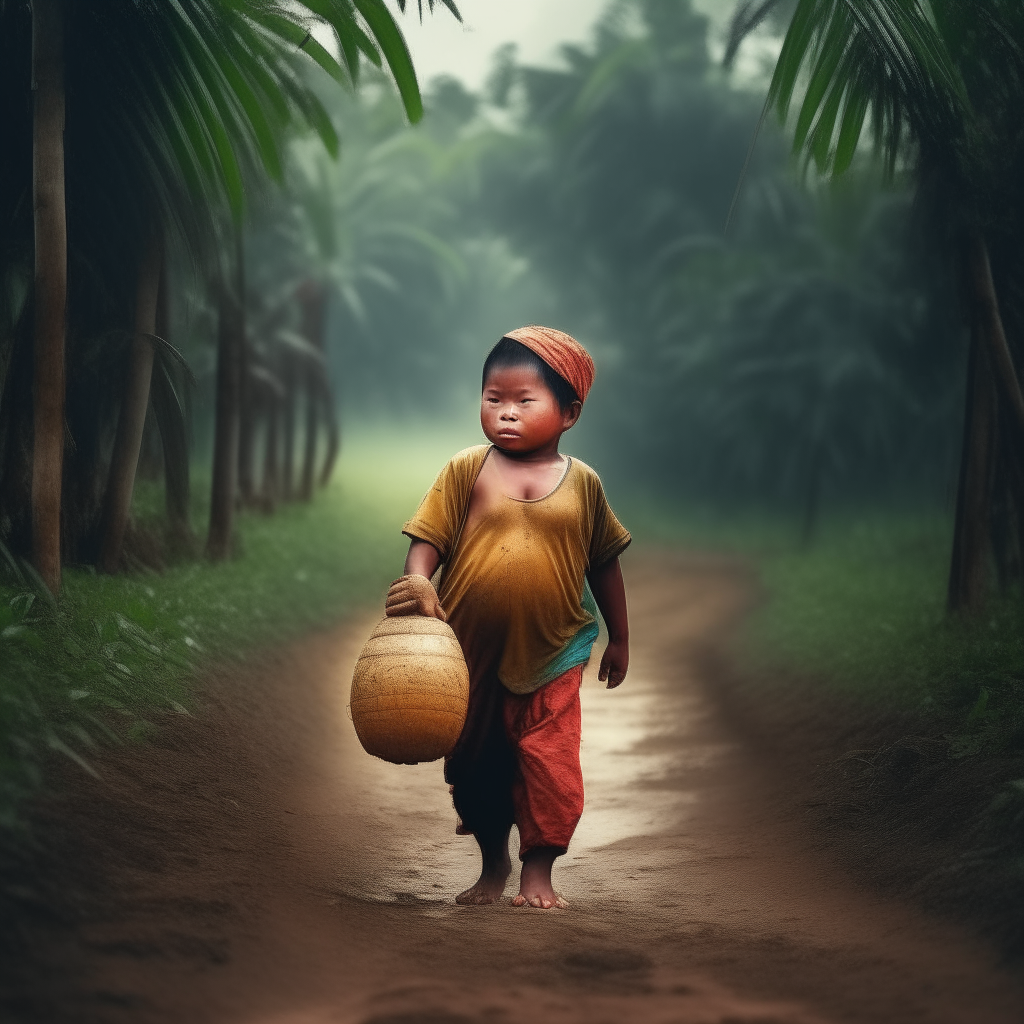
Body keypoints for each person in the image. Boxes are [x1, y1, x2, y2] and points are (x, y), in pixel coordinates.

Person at [385, 326, 630, 910]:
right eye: (494, 398)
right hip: (467, 655)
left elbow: (605, 567)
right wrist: (418, 580)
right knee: (476, 764)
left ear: (568, 412)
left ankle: (537, 872)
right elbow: (428, 539)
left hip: (554, 650)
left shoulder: (584, 484)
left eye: (525, 401)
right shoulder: (466, 469)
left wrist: (620, 638)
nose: (506, 413)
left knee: (549, 763)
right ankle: (493, 864)